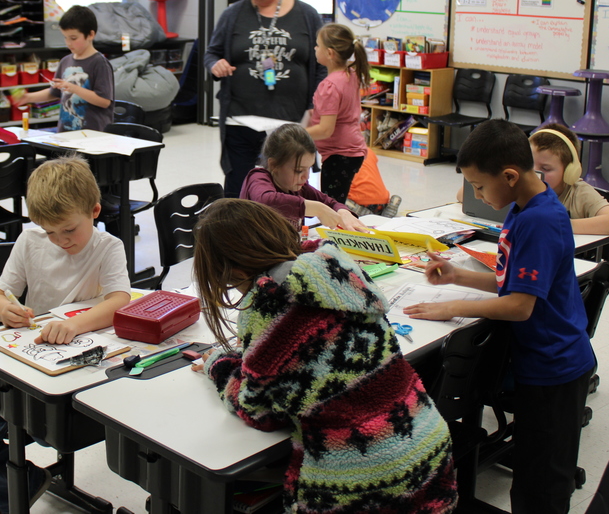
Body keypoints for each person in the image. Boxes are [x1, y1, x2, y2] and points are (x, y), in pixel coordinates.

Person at [192, 199, 458, 513]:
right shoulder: (335, 266)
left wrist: (219, 365)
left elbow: (260, 412)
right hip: (428, 459)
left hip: (366, 485)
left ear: (232, 268)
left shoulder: (268, 305)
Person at [404, 119, 596, 514]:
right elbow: (515, 283)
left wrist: (452, 306)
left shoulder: (539, 220)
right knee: (532, 473)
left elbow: (519, 305)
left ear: (509, 175)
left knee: (541, 486)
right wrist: (459, 276)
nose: (475, 194)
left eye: (478, 186)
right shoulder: (524, 205)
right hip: (541, 361)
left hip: (555, 368)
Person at [0, 156, 131, 512]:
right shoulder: (30, 242)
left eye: (69, 230)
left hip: (79, 367)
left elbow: (120, 300)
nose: (60, 240)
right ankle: (21, 487)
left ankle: (16, 490)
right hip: (28, 366)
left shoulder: (108, 247)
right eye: (50, 231)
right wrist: (6, 310)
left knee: (45, 426)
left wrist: (74, 324)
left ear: (94, 211)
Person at [204, 0, 327, 197]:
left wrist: (317, 102)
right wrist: (215, 65)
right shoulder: (233, 14)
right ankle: (234, 234)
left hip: (289, 122)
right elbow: (211, 54)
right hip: (240, 118)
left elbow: (320, 64)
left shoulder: (306, 15)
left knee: (286, 189)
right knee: (238, 186)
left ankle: (281, 234)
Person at [241, 123, 367, 233]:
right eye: (299, 170)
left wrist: (343, 212)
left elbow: (330, 203)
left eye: (309, 168)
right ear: (273, 165)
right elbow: (266, 200)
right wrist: (319, 209)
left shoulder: (299, 187)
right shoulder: (257, 177)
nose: (306, 176)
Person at [18, 5, 114, 132]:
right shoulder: (65, 61)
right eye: (65, 37)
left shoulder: (100, 63)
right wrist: (28, 97)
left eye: (73, 38)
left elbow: (104, 101)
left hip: (93, 135)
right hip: (66, 132)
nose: (68, 43)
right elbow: (54, 93)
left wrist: (73, 88)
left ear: (91, 34)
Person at [305, 23, 370, 202]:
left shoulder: (329, 85)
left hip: (340, 154)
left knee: (332, 205)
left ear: (330, 53)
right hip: (351, 150)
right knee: (336, 200)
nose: (315, 48)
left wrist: (297, 132)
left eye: (318, 45)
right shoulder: (350, 74)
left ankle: (337, 229)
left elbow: (326, 129)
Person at [529, 125, 609, 236]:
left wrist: (558, 225)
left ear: (569, 171)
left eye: (545, 168)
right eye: (529, 164)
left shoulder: (579, 193)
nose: (533, 173)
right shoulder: (520, 186)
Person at [342, 147, 402, 218]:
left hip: (359, 202)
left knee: (333, 199)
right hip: (382, 200)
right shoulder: (368, 150)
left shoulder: (336, 153)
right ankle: (387, 209)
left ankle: (363, 213)